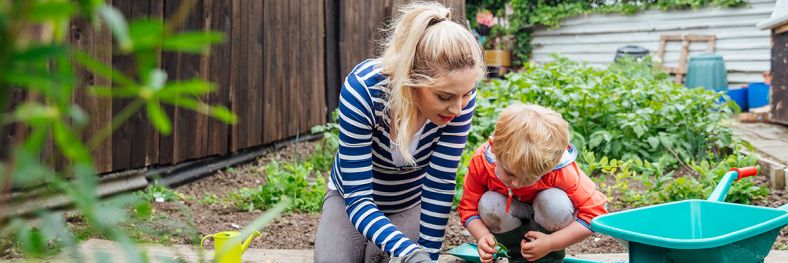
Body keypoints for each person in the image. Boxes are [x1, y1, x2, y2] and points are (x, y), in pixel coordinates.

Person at [313, 2, 485, 262]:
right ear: (411, 79)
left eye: (467, 94)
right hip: (350, 199)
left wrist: (427, 256)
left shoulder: (459, 101)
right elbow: (359, 200)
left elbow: (439, 185)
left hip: (409, 202)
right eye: (444, 96)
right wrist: (411, 254)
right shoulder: (363, 91)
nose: (458, 109)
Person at [458, 104, 608, 263]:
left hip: (547, 218)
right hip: (510, 214)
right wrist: (483, 236)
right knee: (490, 203)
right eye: (510, 173)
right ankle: (516, 256)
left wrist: (551, 243)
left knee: (555, 202)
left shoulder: (561, 170)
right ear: (494, 148)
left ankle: (549, 259)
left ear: (553, 164)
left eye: (529, 178)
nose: (516, 183)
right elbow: (468, 208)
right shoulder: (482, 162)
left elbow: (596, 213)